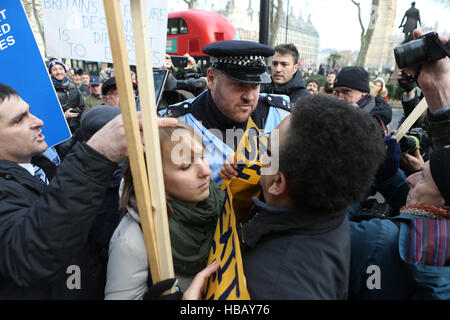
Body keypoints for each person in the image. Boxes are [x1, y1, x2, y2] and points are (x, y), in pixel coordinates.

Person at [239, 94, 386, 299]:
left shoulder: (272, 284)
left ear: (278, 182)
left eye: (267, 150)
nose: (259, 157)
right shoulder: (330, 213)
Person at [349, 28, 450, 300]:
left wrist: (355, 183)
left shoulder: (378, 240)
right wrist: (389, 176)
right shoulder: (440, 235)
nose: (412, 177)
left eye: (424, 176)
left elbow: (323, 232)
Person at [105, 123, 225, 299]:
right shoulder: (131, 241)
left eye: (202, 157)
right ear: (153, 178)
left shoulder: (219, 202)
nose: (206, 171)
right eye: (186, 167)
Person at [161, 40, 291, 184]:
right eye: (238, 85)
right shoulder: (175, 123)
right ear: (211, 78)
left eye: (255, 86)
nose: (249, 97)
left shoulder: (279, 115)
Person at [333, 66, 392, 132]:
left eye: (347, 91)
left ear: (364, 92)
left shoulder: (375, 120)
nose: (339, 98)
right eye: (337, 92)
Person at [48, 59, 85, 133]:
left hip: (76, 129)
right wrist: (63, 117)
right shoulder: (49, 90)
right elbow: (48, 115)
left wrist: (76, 113)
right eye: (54, 69)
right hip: (59, 131)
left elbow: (81, 105)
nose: (58, 72)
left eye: (60, 69)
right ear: (51, 73)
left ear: (64, 71)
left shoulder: (72, 85)